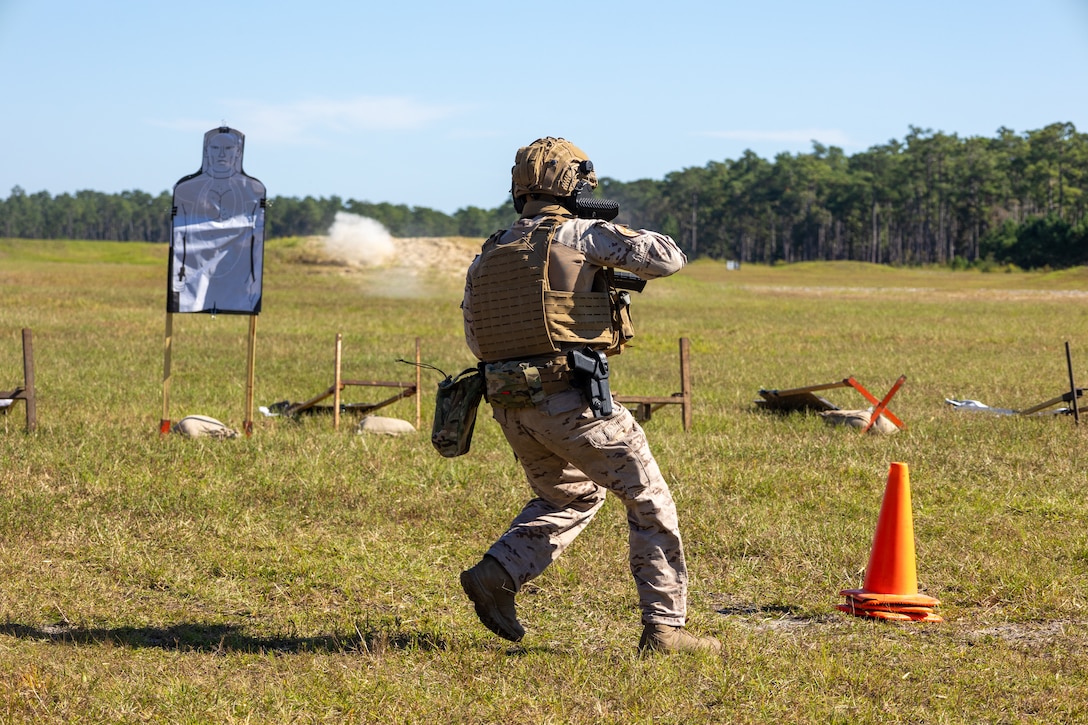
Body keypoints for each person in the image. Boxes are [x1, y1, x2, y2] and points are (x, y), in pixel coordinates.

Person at [459, 137, 720, 654]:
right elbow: (668, 257)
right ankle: (666, 629)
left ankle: (498, 574)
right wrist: (602, 223)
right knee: (649, 500)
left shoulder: (490, 250)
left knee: (571, 494)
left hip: (512, 405)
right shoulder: (580, 233)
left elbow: (475, 332)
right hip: (571, 400)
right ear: (573, 185)